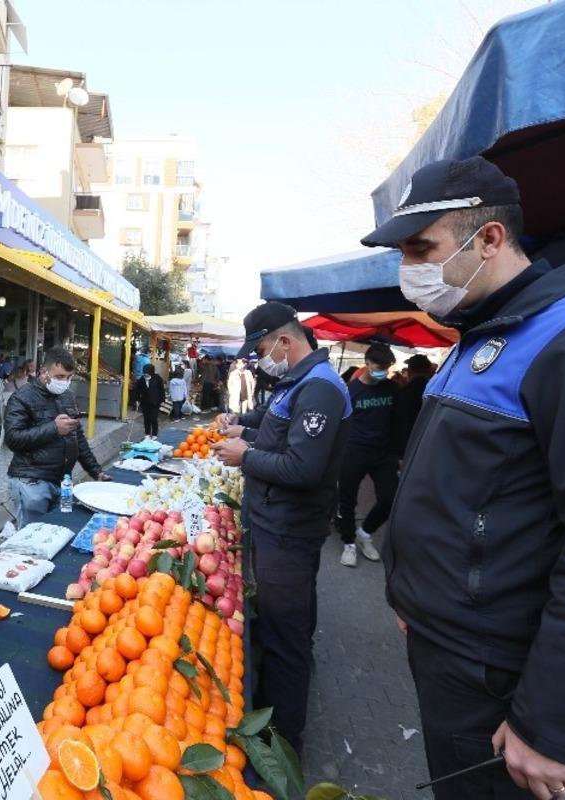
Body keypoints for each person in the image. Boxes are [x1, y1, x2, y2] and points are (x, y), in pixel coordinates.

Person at [362, 155, 565, 799]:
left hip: (502, 680)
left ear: (491, 239)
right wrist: (413, 597)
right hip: (447, 651)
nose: (408, 270)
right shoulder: (475, 338)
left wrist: (552, 723)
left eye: (422, 248)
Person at [212, 301, 351, 754]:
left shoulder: (321, 389)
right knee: (285, 623)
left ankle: (283, 738)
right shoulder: (298, 382)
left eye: (263, 349)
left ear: (285, 341)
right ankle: (278, 714)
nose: (259, 359)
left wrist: (245, 456)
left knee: (284, 635)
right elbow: (275, 430)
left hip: (289, 531)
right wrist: (242, 429)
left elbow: (303, 467)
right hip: (275, 523)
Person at [4, 348, 112, 528]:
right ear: (43, 372)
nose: (65, 382)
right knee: (32, 537)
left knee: (59, 530)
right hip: (32, 482)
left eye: (69, 377)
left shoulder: (67, 396)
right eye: (60, 377)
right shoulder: (22, 398)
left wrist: (96, 471)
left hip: (63, 482)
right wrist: (53, 428)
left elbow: (78, 437)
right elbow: (13, 439)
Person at [335, 343, 404, 568]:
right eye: (379, 365)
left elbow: (397, 423)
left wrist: (398, 454)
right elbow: (340, 425)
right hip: (353, 452)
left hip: (384, 454)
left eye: (387, 366)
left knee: (389, 498)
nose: (383, 370)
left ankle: (365, 533)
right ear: (367, 363)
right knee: (347, 500)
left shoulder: (392, 389)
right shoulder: (350, 391)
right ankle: (349, 543)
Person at [396, 353, 434, 446]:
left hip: (407, 442)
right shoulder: (434, 390)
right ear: (429, 370)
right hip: (428, 439)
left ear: (410, 371)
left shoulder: (403, 391)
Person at [133, 363, 166, 437]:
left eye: (147, 374)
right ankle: (147, 434)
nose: (145, 375)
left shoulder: (157, 378)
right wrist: (137, 400)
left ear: (151, 372)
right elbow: (137, 390)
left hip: (155, 402)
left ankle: (154, 434)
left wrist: (163, 400)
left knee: (153, 418)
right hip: (145, 402)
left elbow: (161, 390)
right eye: (144, 374)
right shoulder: (141, 379)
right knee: (146, 419)